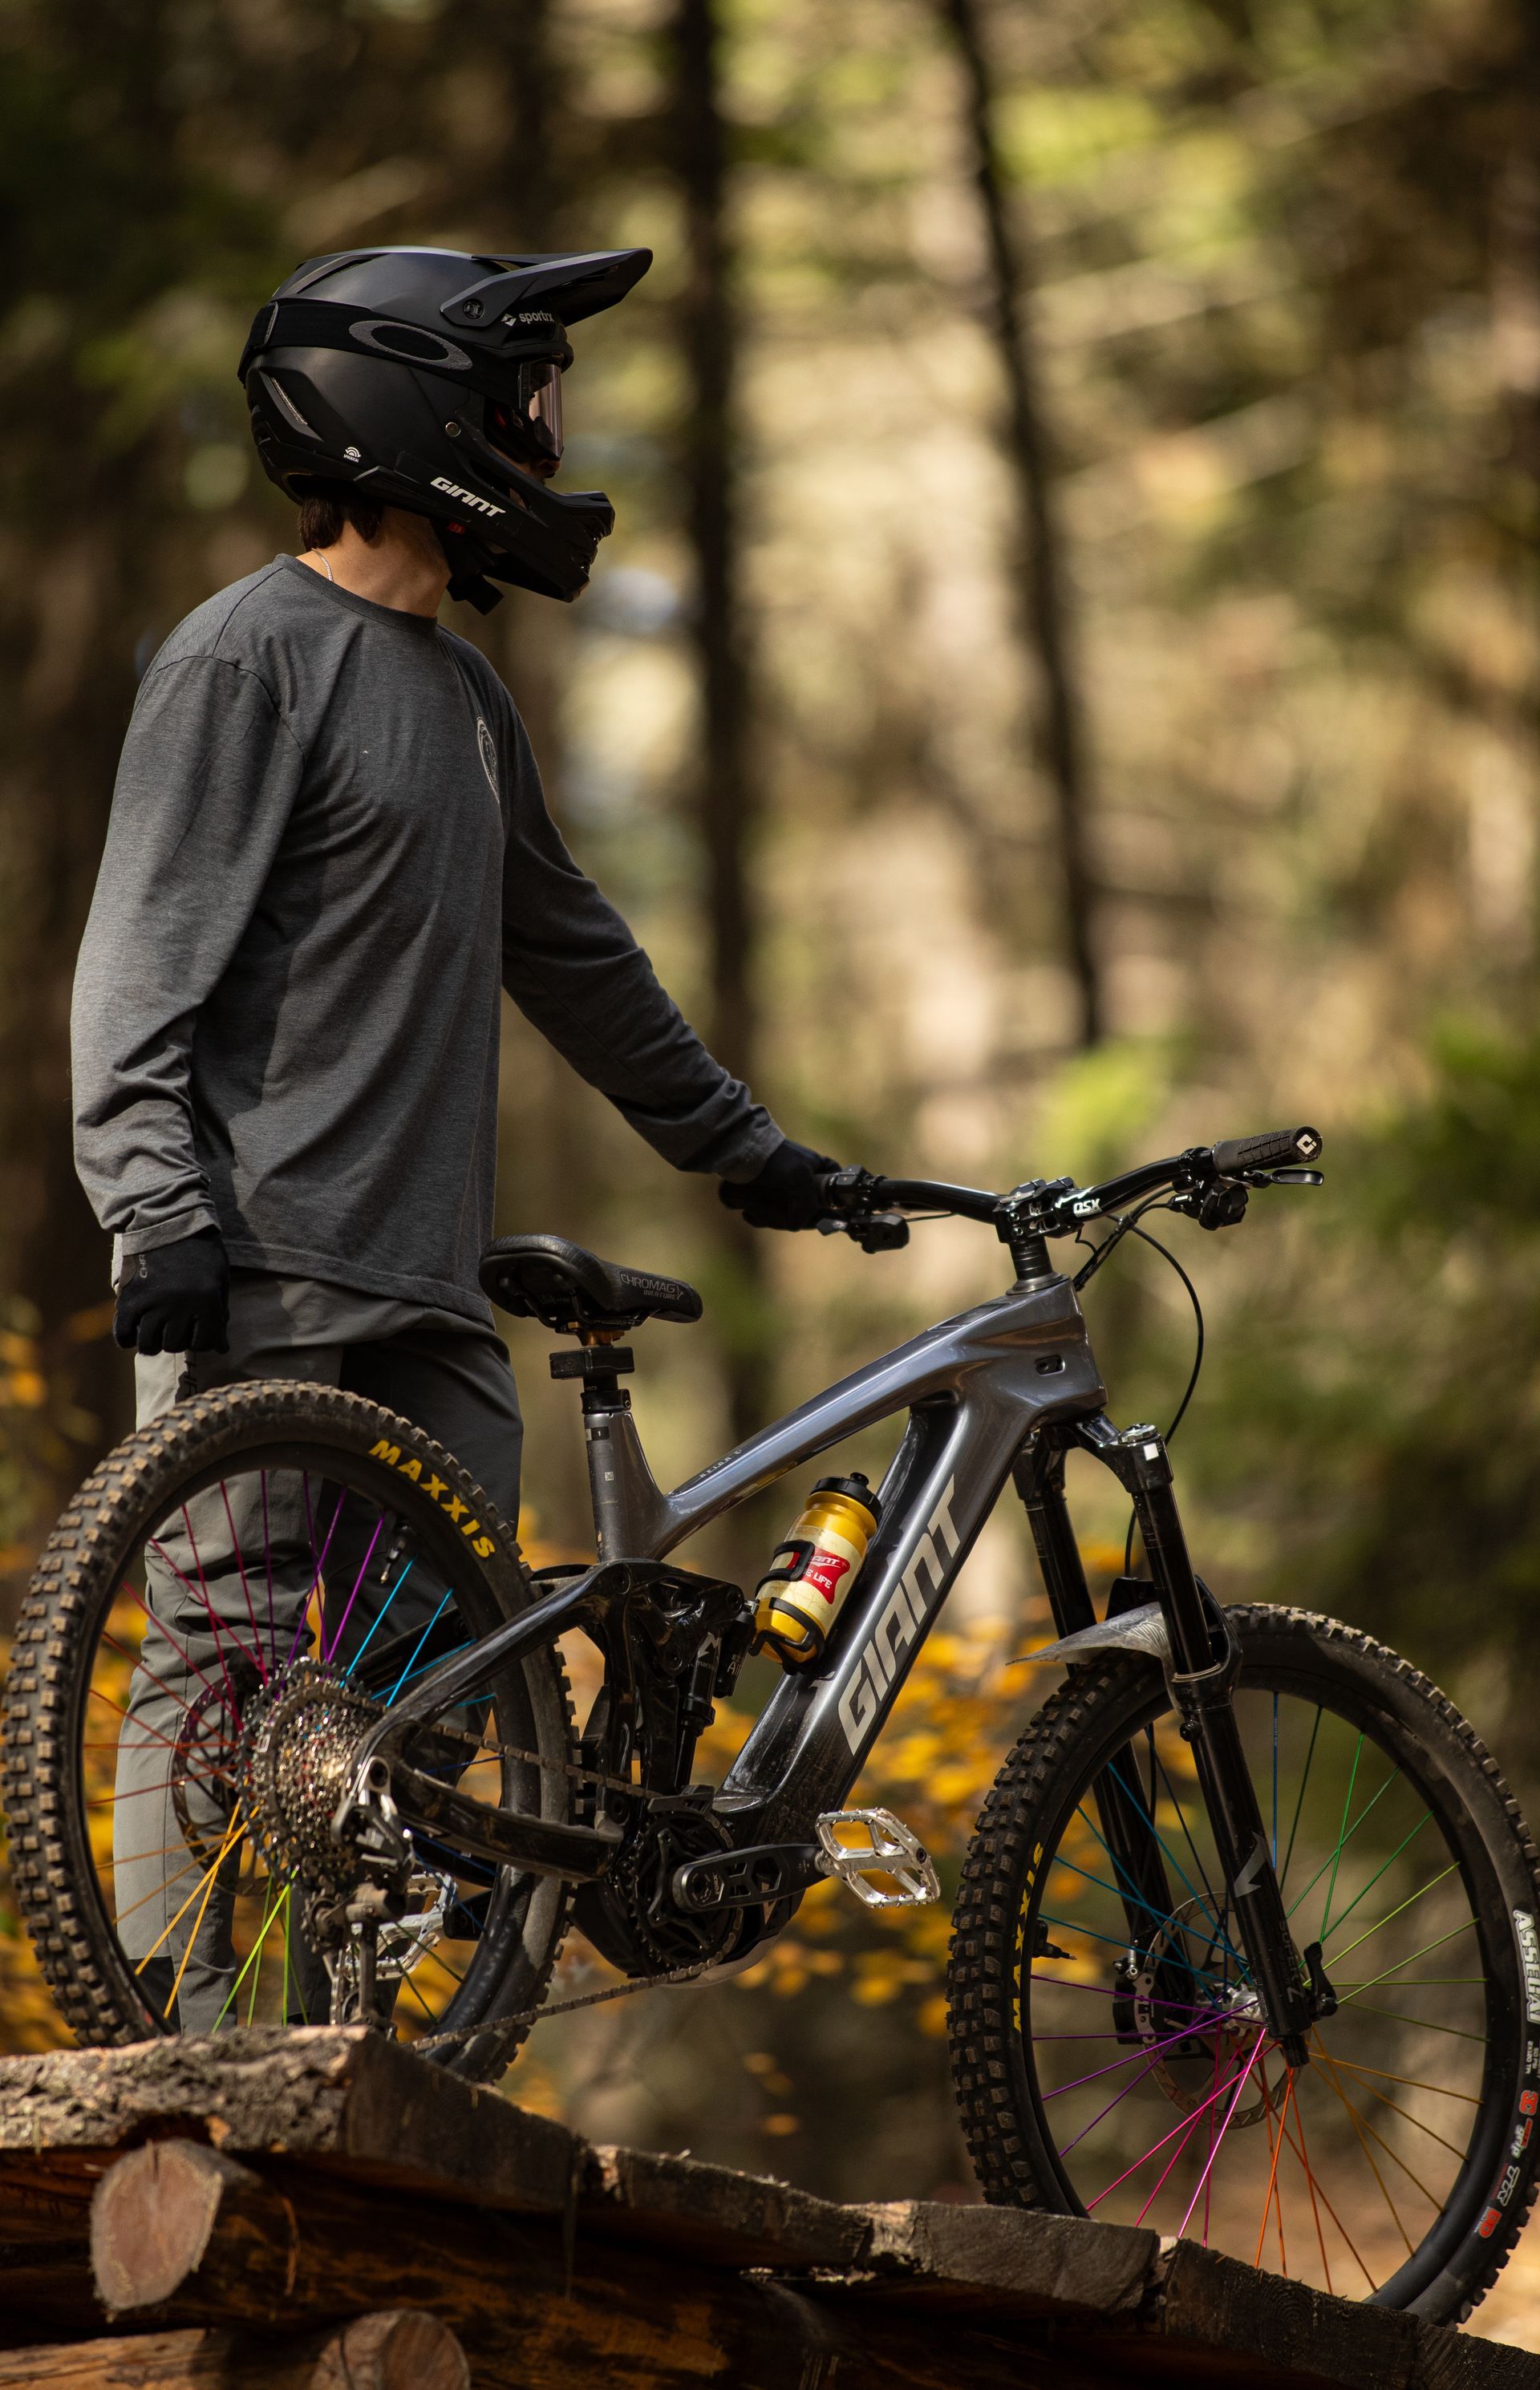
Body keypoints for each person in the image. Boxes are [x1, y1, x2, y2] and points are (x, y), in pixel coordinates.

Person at [70, 243, 838, 2027]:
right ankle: (180, 2059)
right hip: (253, 1265)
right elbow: (136, 965)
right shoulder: (244, 658)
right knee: (228, 1669)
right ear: (415, 406)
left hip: (424, 1296)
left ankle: (373, 2065)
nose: (549, 433)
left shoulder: (470, 705)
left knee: (436, 1706)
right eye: (524, 395)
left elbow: (576, 952)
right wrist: (152, 1204)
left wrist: (747, 1149)